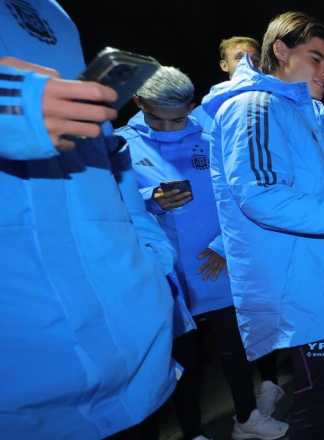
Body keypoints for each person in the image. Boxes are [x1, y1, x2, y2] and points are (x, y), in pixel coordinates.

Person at [202, 11, 324, 440]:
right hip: (302, 292)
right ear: (281, 50)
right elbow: (261, 197)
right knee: (314, 408)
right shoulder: (252, 107)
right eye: (317, 59)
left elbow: (312, 192)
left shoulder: (299, 111)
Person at [0, 1, 178, 437]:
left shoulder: (56, 13)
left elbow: (105, 154)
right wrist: (10, 103)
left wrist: (152, 257)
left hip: (131, 353)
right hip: (25, 377)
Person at [117, 66, 288, 440]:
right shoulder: (121, 146)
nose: (167, 128)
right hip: (169, 274)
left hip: (218, 263)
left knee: (235, 349)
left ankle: (247, 417)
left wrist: (225, 247)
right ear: (138, 102)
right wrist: (152, 200)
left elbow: (240, 196)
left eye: (177, 119)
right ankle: (192, 432)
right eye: (156, 119)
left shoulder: (212, 136)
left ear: (192, 107)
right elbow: (114, 211)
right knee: (184, 362)